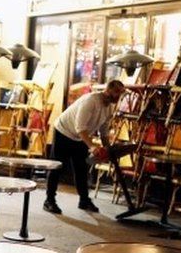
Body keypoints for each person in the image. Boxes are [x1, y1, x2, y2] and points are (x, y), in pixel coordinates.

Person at [43, 80, 126, 214]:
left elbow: (104, 130)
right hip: (63, 131)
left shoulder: (110, 106)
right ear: (108, 89)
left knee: (81, 168)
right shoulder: (91, 101)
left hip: (80, 135)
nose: (118, 96)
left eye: (120, 93)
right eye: (116, 92)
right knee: (57, 167)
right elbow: (80, 127)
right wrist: (92, 146)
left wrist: (108, 149)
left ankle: (84, 200)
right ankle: (49, 201)